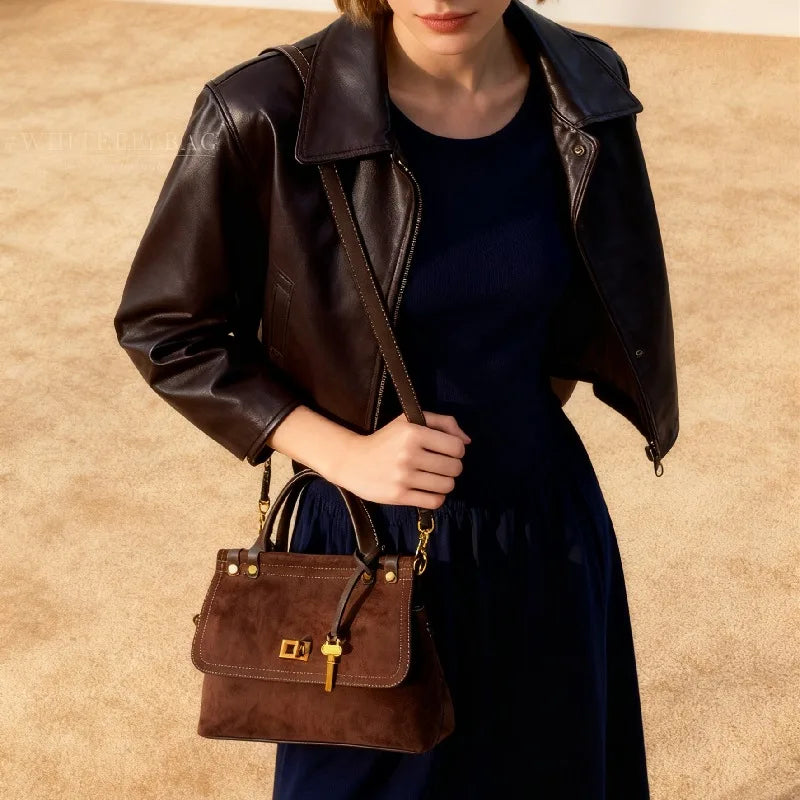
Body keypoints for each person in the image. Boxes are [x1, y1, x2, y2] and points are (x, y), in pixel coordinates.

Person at [114, 0, 679, 797]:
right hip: (365, 545)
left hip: (547, 533)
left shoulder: (583, 88)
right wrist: (348, 454)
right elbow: (165, 325)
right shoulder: (265, 110)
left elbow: (573, 312)